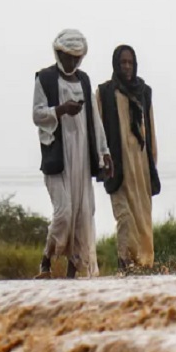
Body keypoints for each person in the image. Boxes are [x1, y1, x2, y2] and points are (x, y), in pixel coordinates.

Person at [32, 29, 112, 278]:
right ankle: (46, 260)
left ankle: (72, 276)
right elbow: (37, 114)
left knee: (82, 215)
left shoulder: (84, 81)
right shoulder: (44, 79)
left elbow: (95, 120)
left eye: (77, 58)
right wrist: (61, 110)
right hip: (58, 158)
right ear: (59, 54)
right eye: (68, 57)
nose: (72, 62)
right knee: (64, 212)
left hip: (82, 157)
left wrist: (104, 151)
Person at [97, 44, 160, 270]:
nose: (126, 66)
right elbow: (99, 130)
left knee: (143, 218)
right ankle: (124, 262)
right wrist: (101, 161)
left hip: (141, 166)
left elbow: (150, 129)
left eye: (130, 62)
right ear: (116, 64)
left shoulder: (144, 92)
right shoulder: (105, 92)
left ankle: (143, 265)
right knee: (124, 216)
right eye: (123, 62)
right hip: (118, 166)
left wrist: (152, 162)